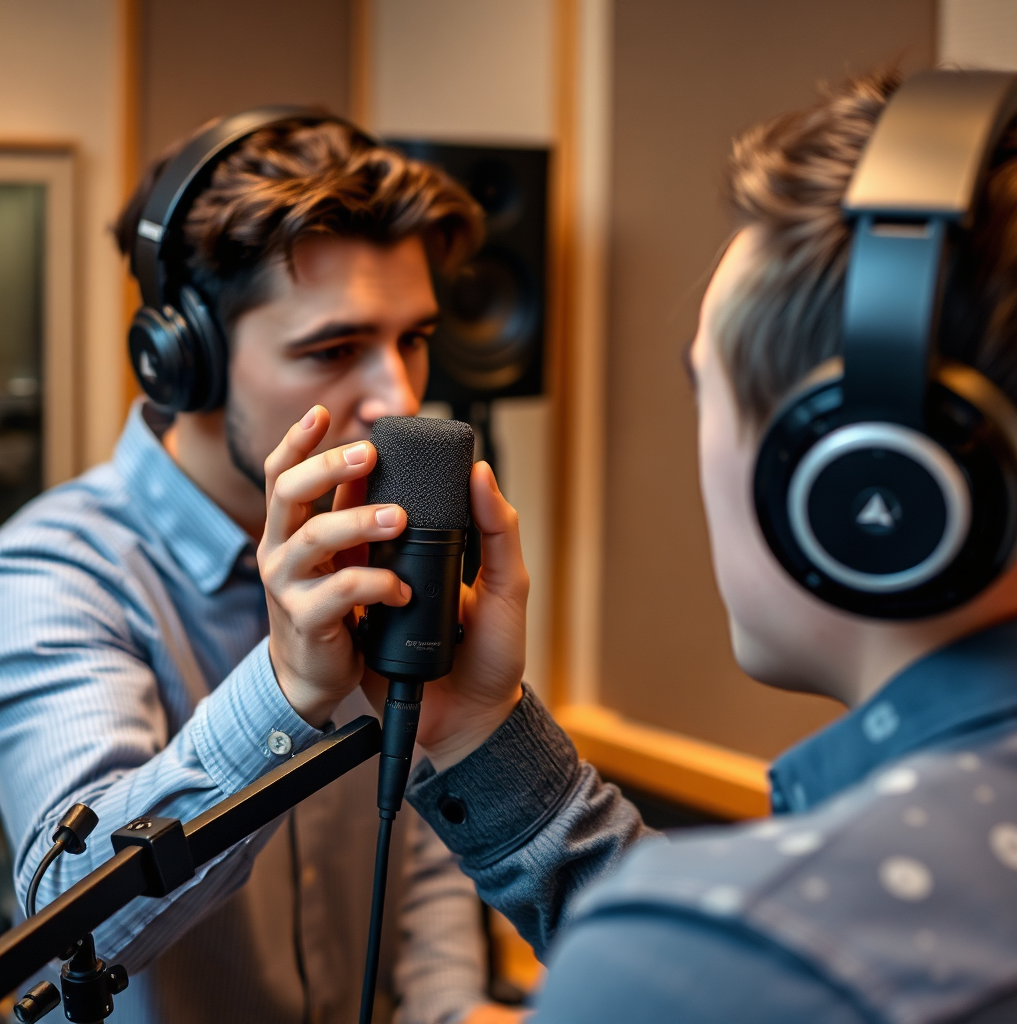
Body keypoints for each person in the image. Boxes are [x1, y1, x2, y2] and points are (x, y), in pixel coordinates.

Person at [351, 70, 1015, 1022]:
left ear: (855, 477)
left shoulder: (725, 961)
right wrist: (478, 734)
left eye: (708, 391)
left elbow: (719, 968)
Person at [0, 115, 524, 1024]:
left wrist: (451, 1007)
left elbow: (423, 836)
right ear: (182, 360)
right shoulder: (50, 571)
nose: (398, 396)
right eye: (333, 349)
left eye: (413, 339)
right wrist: (285, 692)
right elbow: (73, 919)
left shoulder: (380, 541)